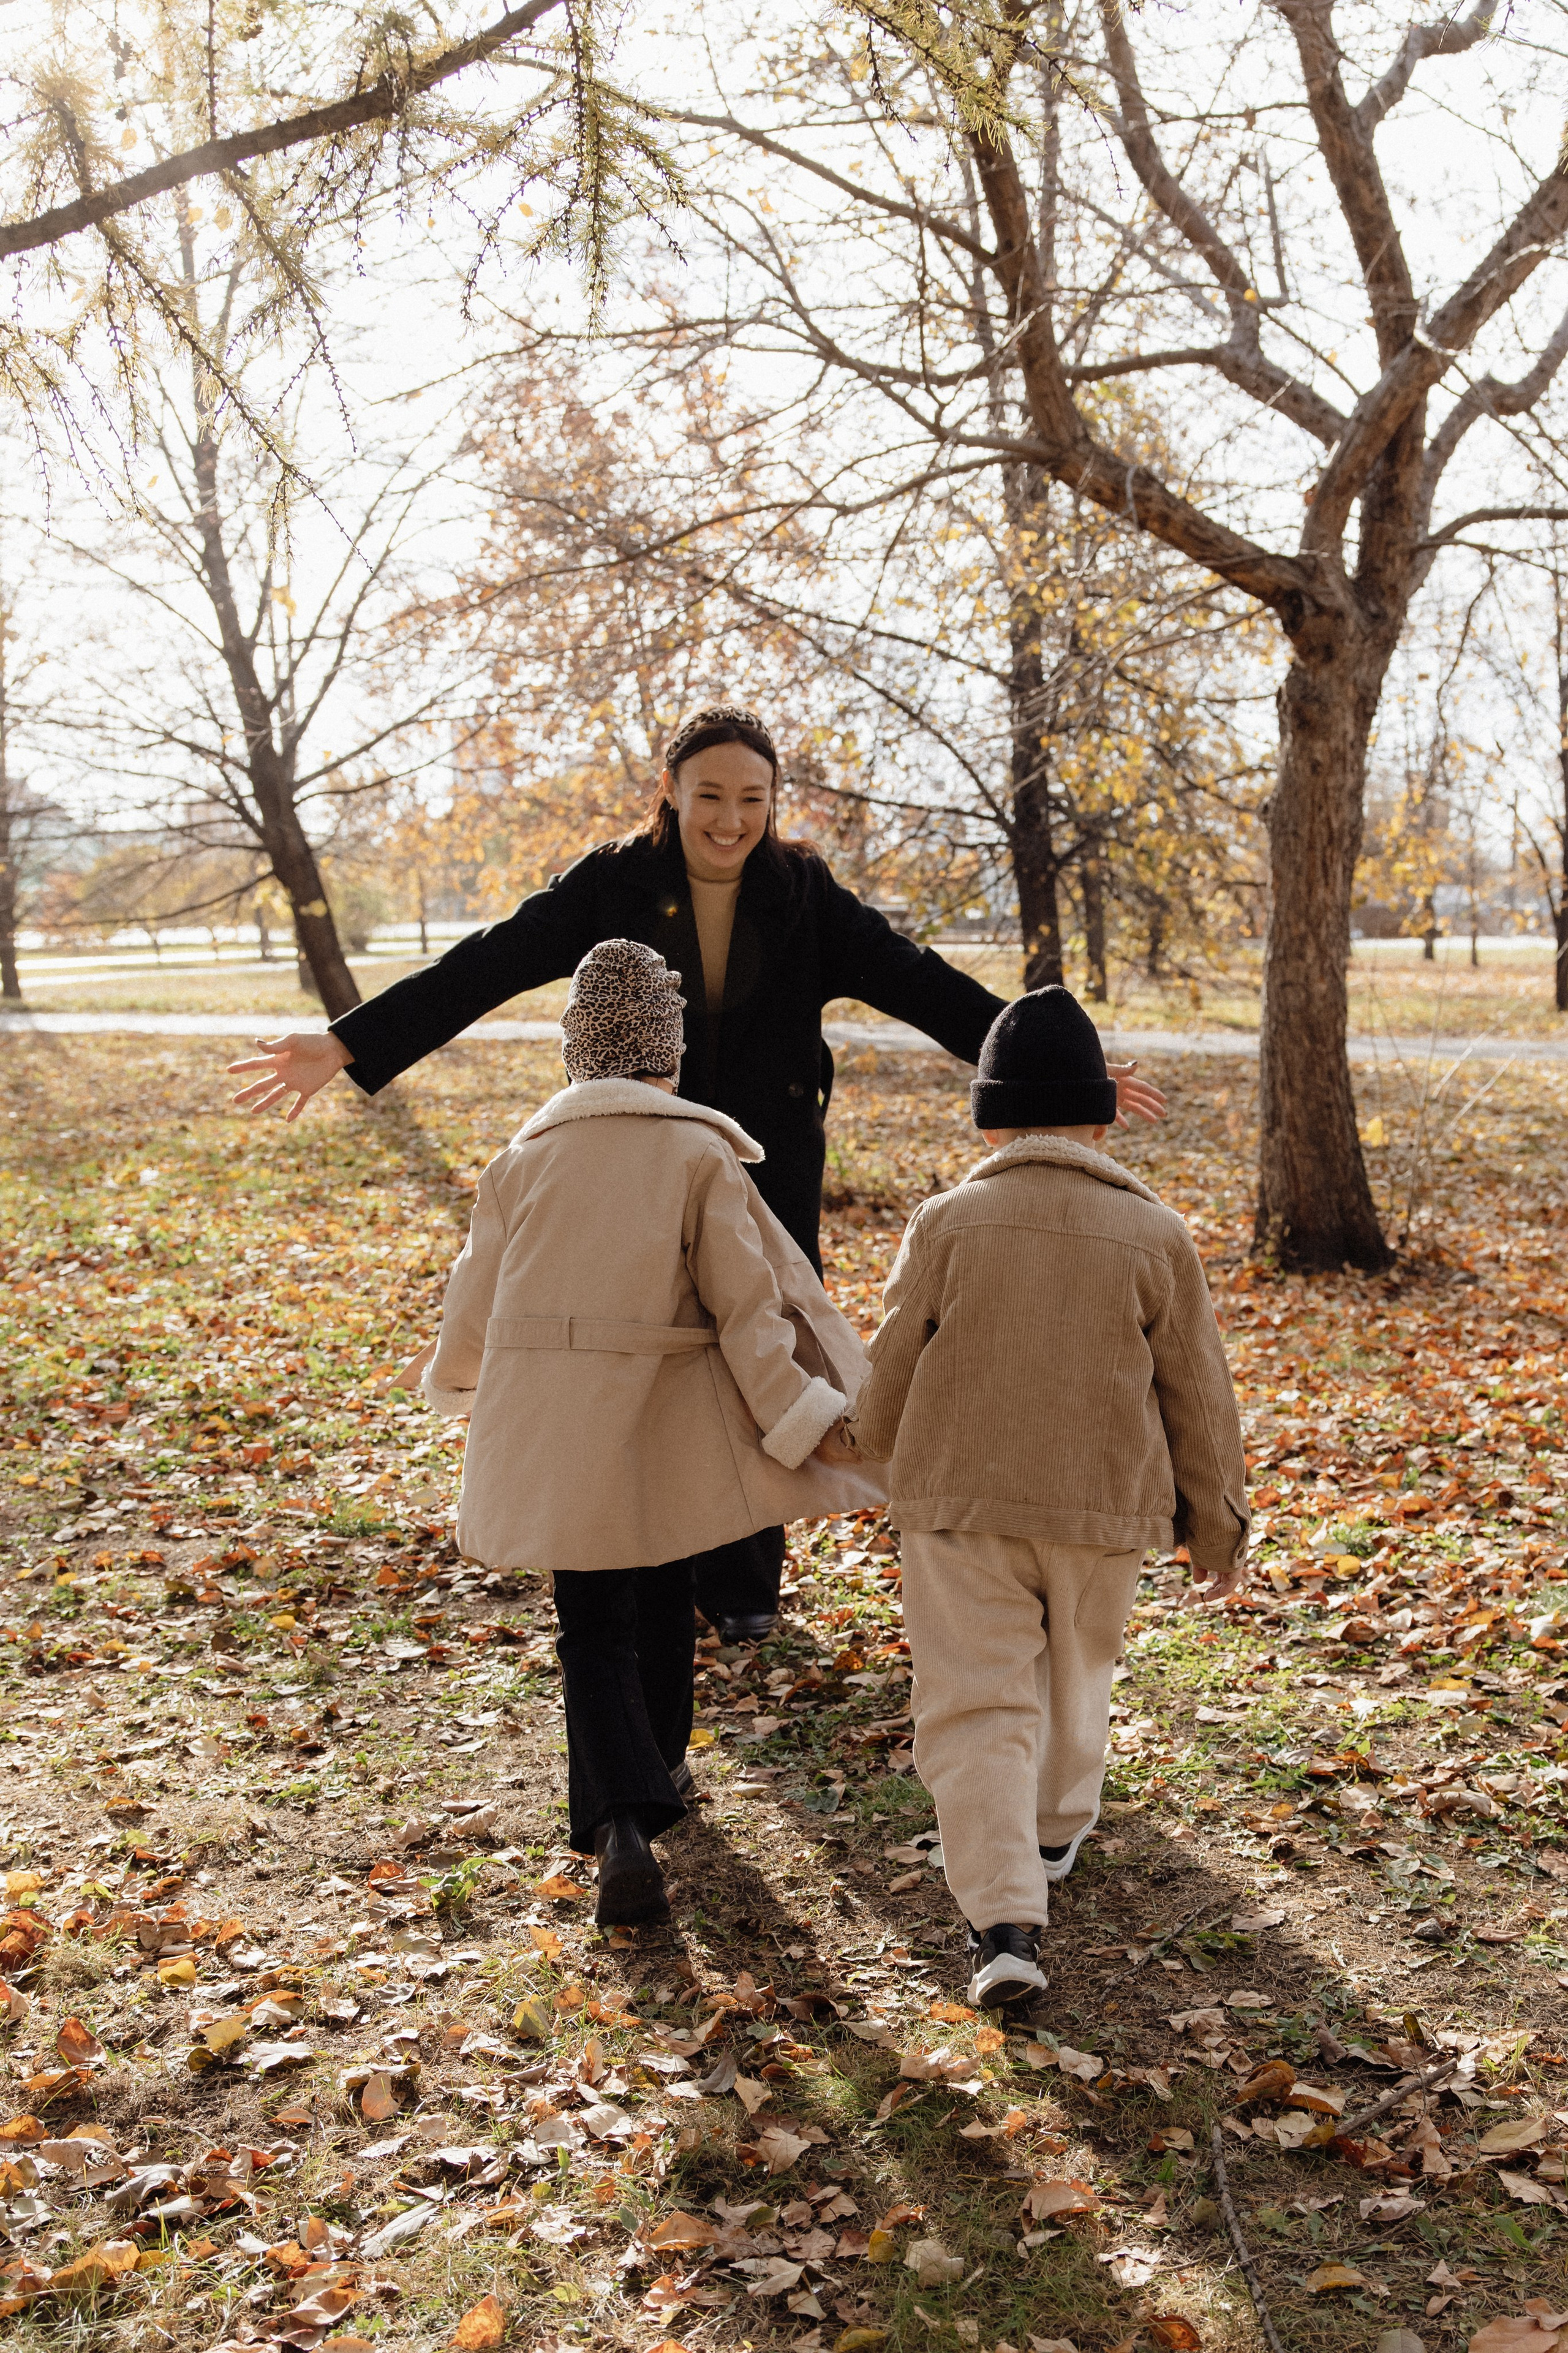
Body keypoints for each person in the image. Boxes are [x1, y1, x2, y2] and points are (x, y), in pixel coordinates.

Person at [229, 704, 1165, 1643]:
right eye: (710, 794)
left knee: (767, 1343)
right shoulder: (612, 882)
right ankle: (649, 1556)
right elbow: (488, 962)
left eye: (752, 798)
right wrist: (348, 1043)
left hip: (766, 1166)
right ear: (670, 791)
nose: (731, 818)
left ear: (773, 800)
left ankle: (745, 1583)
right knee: (656, 1347)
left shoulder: (804, 892)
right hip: (636, 1167)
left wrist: (1063, 1071)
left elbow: (921, 982)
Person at [418, 938, 885, 1926]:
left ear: (576, 1058)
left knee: (588, 1619)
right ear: (666, 1056)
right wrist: (801, 1412)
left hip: (556, 1422)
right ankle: (662, 1764)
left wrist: (461, 1377)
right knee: (669, 1591)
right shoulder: (697, 1154)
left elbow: (475, 1295)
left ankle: (623, 1818)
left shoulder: (520, 1164)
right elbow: (749, 1310)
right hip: (668, 1423)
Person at [824, 986, 1248, 2012]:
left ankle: (1005, 1920)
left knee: (976, 1702)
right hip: (1105, 1507)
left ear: (991, 1122)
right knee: (1076, 1673)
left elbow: (893, 1364)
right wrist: (1217, 1524)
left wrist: (855, 1438)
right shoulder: (1156, 1233)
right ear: (1102, 1121)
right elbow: (1199, 1391)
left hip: (961, 1502)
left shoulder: (947, 1223)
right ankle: (1054, 1828)